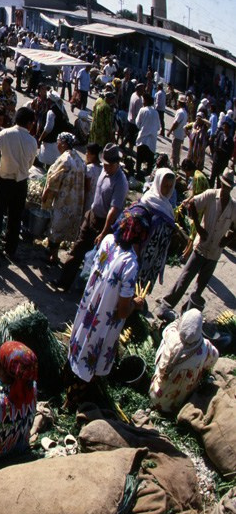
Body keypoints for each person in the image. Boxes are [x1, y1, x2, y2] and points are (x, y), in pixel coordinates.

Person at [67, 210, 150, 394]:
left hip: (89, 309)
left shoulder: (108, 241)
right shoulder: (130, 264)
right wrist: (136, 304)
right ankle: (77, 394)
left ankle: (70, 377)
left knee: (80, 342)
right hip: (103, 321)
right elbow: (121, 312)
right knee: (92, 360)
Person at [156, 168, 236, 318]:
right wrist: (199, 228)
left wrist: (227, 239)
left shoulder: (233, 207)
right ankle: (167, 304)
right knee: (185, 278)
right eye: (224, 185)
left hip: (214, 253)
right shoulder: (211, 195)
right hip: (201, 247)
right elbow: (191, 204)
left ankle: (186, 313)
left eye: (229, 187)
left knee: (200, 287)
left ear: (231, 188)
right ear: (221, 183)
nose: (226, 189)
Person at [56, 143, 129, 291]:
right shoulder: (105, 170)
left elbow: (114, 210)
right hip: (92, 215)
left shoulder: (120, 182)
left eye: (109, 165)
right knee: (77, 248)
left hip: (104, 223)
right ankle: (64, 282)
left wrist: (103, 232)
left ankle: (88, 290)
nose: (106, 167)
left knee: (98, 259)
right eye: (105, 164)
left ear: (117, 163)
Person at [0, 106, 39, 258]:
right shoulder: (32, 141)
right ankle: (10, 250)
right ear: (28, 123)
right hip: (21, 183)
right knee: (15, 218)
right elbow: (30, 163)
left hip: (4, 181)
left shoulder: (5, 133)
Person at [149, 309, 219, 414]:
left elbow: (171, 326)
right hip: (175, 405)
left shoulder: (171, 335)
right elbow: (214, 359)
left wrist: (178, 320)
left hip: (153, 394)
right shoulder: (205, 348)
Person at [42, 132, 86, 264]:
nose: (57, 144)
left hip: (63, 199)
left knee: (56, 226)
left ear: (64, 143)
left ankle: (53, 256)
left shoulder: (65, 159)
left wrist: (47, 194)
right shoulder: (78, 159)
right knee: (63, 227)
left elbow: (54, 179)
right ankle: (53, 252)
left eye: (59, 142)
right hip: (75, 200)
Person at [135, 168, 177, 293]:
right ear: (158, 183)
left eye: (170, 186)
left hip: (154, 258)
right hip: (141, 253)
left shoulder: (168, 207)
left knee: (143, 289)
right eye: (165, 185)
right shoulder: (148, 201)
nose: (168, 189)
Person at [135, 93, 160, 180]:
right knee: (149, 162)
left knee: (139, 160)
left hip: (142, 139)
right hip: (152, 141)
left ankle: (137, 174)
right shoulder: (156, 113)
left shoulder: (142, 110)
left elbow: (137, 123)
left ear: (145, 102)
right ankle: (148, 178)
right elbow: (158, 127)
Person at [210, 118, 234, 188]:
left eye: (226, 127)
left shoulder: (230, 140)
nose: (224, 128)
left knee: (219, 179)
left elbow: (229, 154)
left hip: (222, 162)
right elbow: (215, 142)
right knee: (212, 176)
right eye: (224, 126)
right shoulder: (221, 134)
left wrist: (222, 151)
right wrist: (216, 149)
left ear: (229, 129)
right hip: (216, 159)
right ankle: (210, 188)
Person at [168, 96, 189, 170]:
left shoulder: (180, 112)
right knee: (177, 152)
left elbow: (175, 124)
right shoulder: (185, 113)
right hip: (181, 135)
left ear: (179, 103)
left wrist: (169, 131)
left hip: (177, 135)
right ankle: (176, 165)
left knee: (174, 152)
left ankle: (174, 168)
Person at [83, 143, 103, 212]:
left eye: (87, 152)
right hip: (98, 199)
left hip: (89, 200)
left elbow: (87, 188)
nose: (86, 154)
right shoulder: (102, 167)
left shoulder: (89, 168)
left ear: (93, 155)